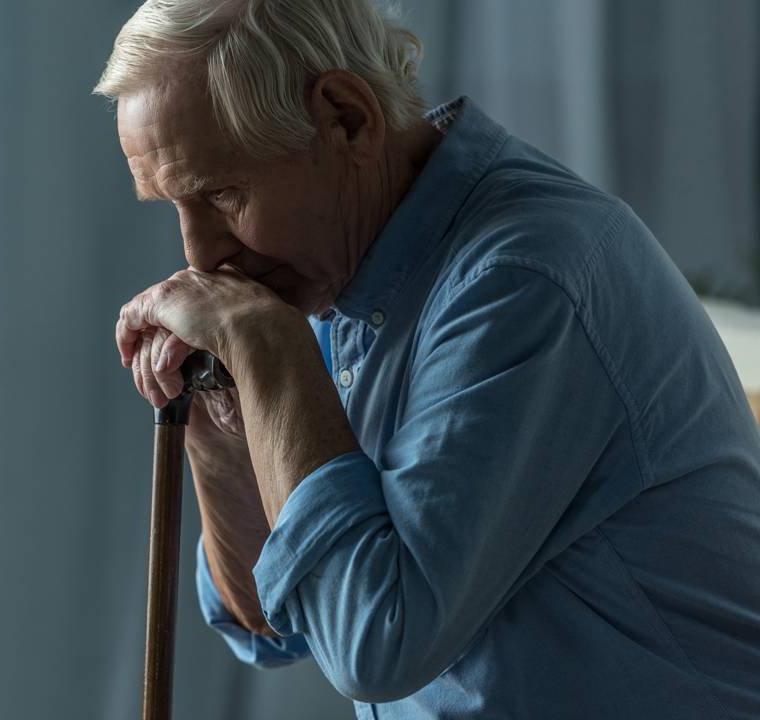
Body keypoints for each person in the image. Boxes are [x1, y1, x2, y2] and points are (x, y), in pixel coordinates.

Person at [95, 1, 760, 718]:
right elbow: (271, 620)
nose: (199, 256)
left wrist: (268, 350)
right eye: (173, 205)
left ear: (347, 118)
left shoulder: (522, 277)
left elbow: (375, 645)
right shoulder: (333, 266)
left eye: (222, 194)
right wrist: (216, 424)